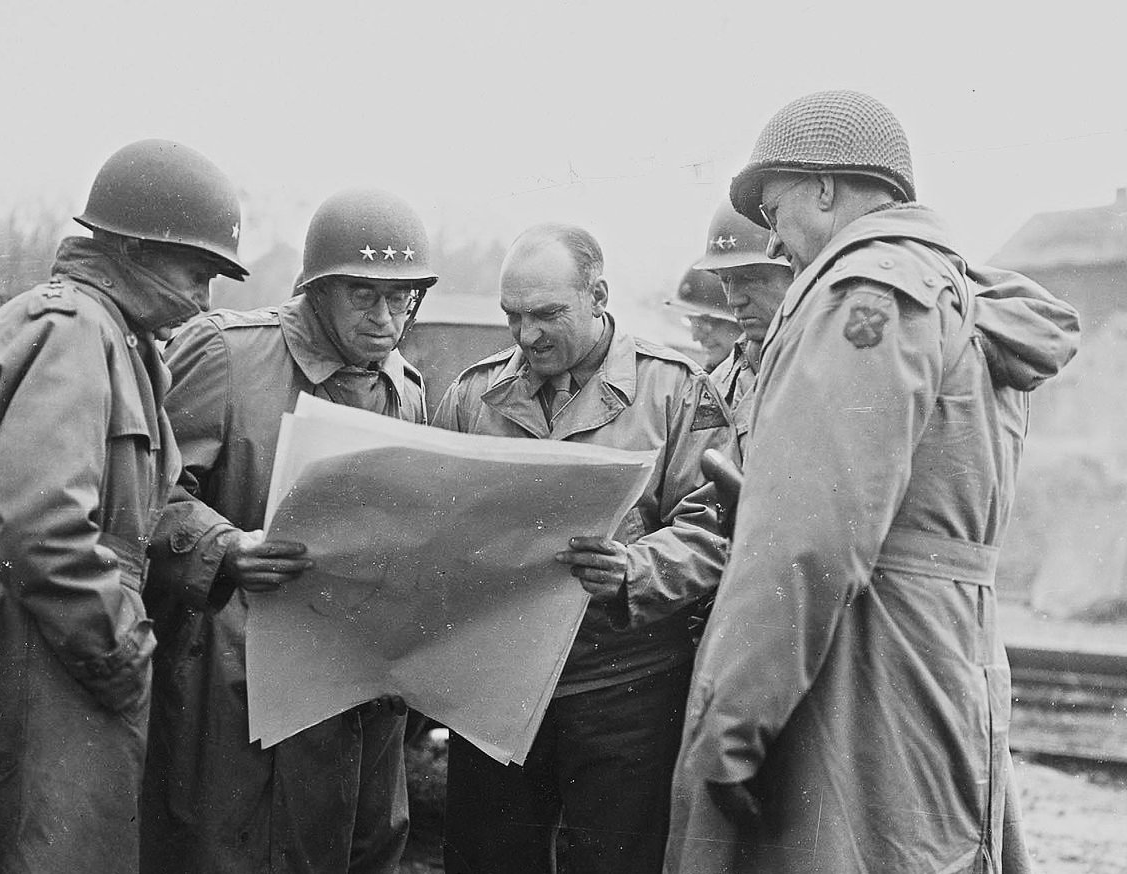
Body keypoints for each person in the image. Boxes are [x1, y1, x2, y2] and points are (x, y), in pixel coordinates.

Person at [665, 90, 1081, 874]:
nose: (778, 241)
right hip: (947, 653)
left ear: (825, 189)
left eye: (778, 209)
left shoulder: (865, 291)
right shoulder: (958, 292)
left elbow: (807, 539)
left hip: (863, 664)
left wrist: (732, 722)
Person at [0, 139, 247, 874]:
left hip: (17, 633)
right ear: (132, 247)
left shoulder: (106, 336)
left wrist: (222, 550)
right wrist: (121, 653)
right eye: (197, 272)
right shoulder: (76, 333)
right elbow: (43, 524)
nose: (204, 299)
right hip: (20, 640)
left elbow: (120, 509)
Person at [139, 188, 437, 874]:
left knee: (360, 847)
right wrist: (225, 548)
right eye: (364, 295)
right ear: (318, 289)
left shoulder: (406, 388)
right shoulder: (226, 354)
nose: (386, 318)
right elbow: (138, 490)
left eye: (403, 298)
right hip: (235, 678)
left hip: (358, 678)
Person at [433, 223, 735, 874]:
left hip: (624, 689)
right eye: (512, 316)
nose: (526, 336)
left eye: (546, 315)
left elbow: (714, 531)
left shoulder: (675, 390)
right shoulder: (472, 395)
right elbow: (430, 528)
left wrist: (634, 568)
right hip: (496, 687)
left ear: (599, 296)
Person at [691, 200, 794, 454]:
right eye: (725, 280)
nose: (734, 299)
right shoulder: (716, 384)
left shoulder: (827, 368)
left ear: (796, 270)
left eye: (751, 278)